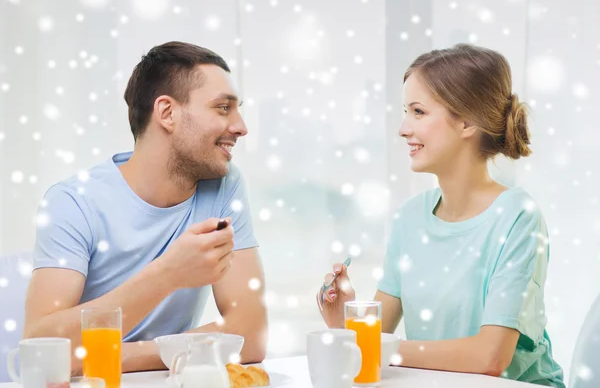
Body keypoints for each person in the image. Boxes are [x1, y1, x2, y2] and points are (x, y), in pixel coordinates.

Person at [318, 44, 565, 387]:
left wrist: (379, 347)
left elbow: (490, 357)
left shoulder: (517, 217)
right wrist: (345, 323)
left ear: (466, 121)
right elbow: (373, 343)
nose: (403, 129)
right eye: (406, 111)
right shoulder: (410, 218)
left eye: (418, 112)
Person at [23, 41, 267, 372]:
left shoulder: (223, 185)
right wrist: (170, 274)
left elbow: (251, 334)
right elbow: (40, 354)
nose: (241, 127)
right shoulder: (74, 202)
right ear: (167, 113)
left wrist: (117, 355)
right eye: (223, 108)